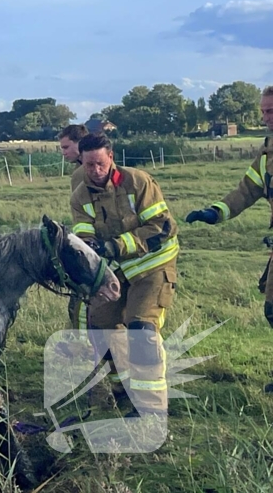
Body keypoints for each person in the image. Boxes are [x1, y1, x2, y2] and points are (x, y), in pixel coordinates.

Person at [70, 133, 179, 416]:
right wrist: (89, 248)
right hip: (115, 271)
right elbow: (84, 234)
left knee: (141, 330)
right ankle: (123, 389)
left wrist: (114, 246)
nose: (95, 170)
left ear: (111, 157)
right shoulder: (80, 195)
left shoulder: (138, 182)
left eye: (100, 163)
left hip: (152, 266)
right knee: (101, 327)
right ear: (81, 161)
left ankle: (151, 409)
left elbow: (161, 227)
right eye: (89, 165)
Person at [186, 85, 273, 329]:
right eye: (263, 111)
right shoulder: (267, 154)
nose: (266, 117)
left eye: (271, 111)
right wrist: (215, 212)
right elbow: (246, 191)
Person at [58, 124, 91, 343]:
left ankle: (83, 344)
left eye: (66, 147)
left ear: (80, 144)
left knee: (80, 298)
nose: (63, 152)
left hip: (92, 240)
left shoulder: (81, 173)